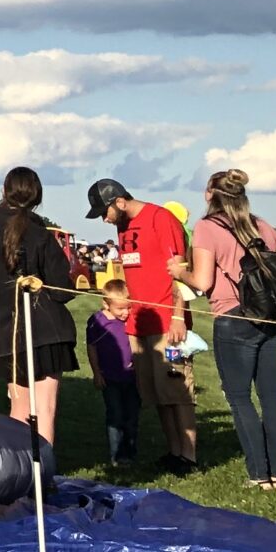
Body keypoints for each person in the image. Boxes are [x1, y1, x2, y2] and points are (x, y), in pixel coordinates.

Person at [171, 168, 276, 490]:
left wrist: (179, 272)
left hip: (234, 318)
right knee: (272, 396)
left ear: (210, 194)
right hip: (273, 319)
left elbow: (203, 282)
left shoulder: (207, 227)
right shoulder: (259, 225)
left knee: (239, 398)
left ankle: (259, 474)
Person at [87, 177, 199, 473]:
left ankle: (189, 456)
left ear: (119, 202)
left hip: (167, 324)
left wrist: (178, 315)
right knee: (156, 392)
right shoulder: (122, 227)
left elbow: (180, 271)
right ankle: (173, 451)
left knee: (178, 390)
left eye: (104, 212)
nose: (103, 219)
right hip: (138, 324)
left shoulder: (161, 219)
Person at [0, 167, 77, 447]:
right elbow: (62, 289)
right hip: (45, 332)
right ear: (37, 195)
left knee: (20, 408)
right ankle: (42, 476)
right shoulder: (40, 233)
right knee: (43, 408)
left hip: (10, 330)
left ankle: (25, 475)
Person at [87, 279, 142, 466]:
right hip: (110, 377)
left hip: (131, 377)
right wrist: (97, 373)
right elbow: (91, 347)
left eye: (128, 308)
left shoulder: (129, 320)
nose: (125, 313)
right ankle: (116, 455)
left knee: (132, 416)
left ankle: (131, 452)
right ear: (106, 304)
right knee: (116, 415)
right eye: (120, 309)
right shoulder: (98, 323)